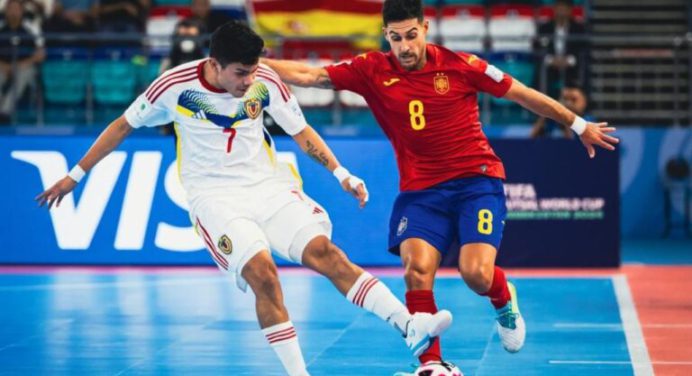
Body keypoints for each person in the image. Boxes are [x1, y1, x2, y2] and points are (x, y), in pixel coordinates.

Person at [36, 20, 452, 376]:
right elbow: (122, 126)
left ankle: (407, 325)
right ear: (214, 65)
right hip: (214, 198)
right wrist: (76, 175)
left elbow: (300, 130)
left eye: (253, 70)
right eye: (240, 73)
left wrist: (341, 173)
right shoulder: (174, 86)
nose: (249, 80)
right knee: (263, 274)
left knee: (327, 254)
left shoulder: (264, 80)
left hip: (267, 186)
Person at [262, 0, 618, 370]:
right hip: (421, 192)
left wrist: (578, 125)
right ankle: (432, 364)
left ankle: (503, 299)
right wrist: (259, 66)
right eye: (396, 38)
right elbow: (311, 75)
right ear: (386, 35)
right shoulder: (371, 70)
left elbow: (522, 94)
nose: (405, 46)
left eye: (411, 35)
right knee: (416, 270)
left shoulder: (460, 65)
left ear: (425, 28)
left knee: (475, 274)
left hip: (476, 182)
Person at [0, 0, 45, 124]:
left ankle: (4, 113)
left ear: (22, 11)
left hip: (25, 65)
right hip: (2, 66)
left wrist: (20, 65)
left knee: (24, 75)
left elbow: (41, 54)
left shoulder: (31, 27)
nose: (13, 12)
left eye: (16, 9)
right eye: (11, 9)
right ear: (5, 11)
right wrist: (4, 65)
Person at [534, 0, 588, 99]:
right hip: (549, 68)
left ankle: (578, 107)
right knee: (540, 75)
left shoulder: (579, 28)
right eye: (559, 7)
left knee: (583, 73)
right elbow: (536, 47)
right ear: (554, 9)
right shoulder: (544, 28)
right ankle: (542, 110)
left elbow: (583, 49)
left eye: (565, 8)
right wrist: (550, 60)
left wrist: (569, 60)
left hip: (571, 68)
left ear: (570, 10)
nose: (561, 11)